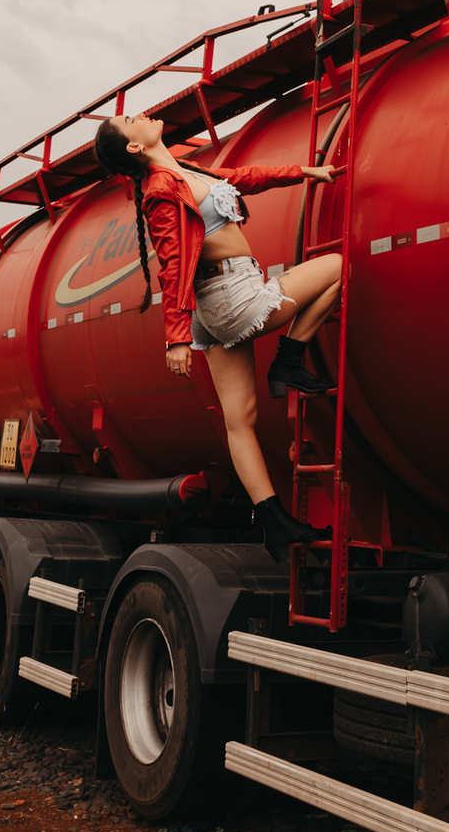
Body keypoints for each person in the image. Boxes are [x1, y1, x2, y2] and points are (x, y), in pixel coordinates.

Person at [93, 111, 343, 561]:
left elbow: (244, 177)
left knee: (239, 420)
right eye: (131, 119)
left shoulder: (185, 172)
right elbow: (171, 267)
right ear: (134, 146)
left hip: (218, 301)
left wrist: (305, 172)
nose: (144, 114)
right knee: (337, 268)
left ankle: (273, 523)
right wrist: (174, 337)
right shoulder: (160, 192)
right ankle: (289, 360)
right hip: (230, 294)